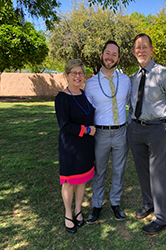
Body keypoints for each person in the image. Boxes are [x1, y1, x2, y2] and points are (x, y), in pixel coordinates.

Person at [127, 34, 166, 235]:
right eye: (137, 48)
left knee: (157, 174)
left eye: (144, 47)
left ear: (152, 50)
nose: (140, 51)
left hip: (157, 129)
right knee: (142, 171)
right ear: (133, 52)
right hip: (136, 129)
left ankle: (161, 218)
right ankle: (148, 203)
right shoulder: (134, 77)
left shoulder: (164, 74)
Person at [84, 40, 131, 224]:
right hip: (100, 134)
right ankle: (96, 205)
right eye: (107, 53)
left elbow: (131, 103)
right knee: (99, 171)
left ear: (118, 59)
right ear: (101, 55)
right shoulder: (91, 83)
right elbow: (87, 111)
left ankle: (115, 203)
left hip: (121, 132)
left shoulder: (126, 80)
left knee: (119, 170)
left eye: (114, 54)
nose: (110, 57)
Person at [55, 59, 96, 233]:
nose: (78, 76)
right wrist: (87, 129)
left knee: (82, 180)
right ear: (67, 75)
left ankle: (78, 211)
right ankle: (68, 214)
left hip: (86, 146)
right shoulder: (62, 97)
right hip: (70, 147)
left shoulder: (85, 94)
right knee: (69, 182)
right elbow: (64, 125)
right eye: (74, 73)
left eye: (80, 73)